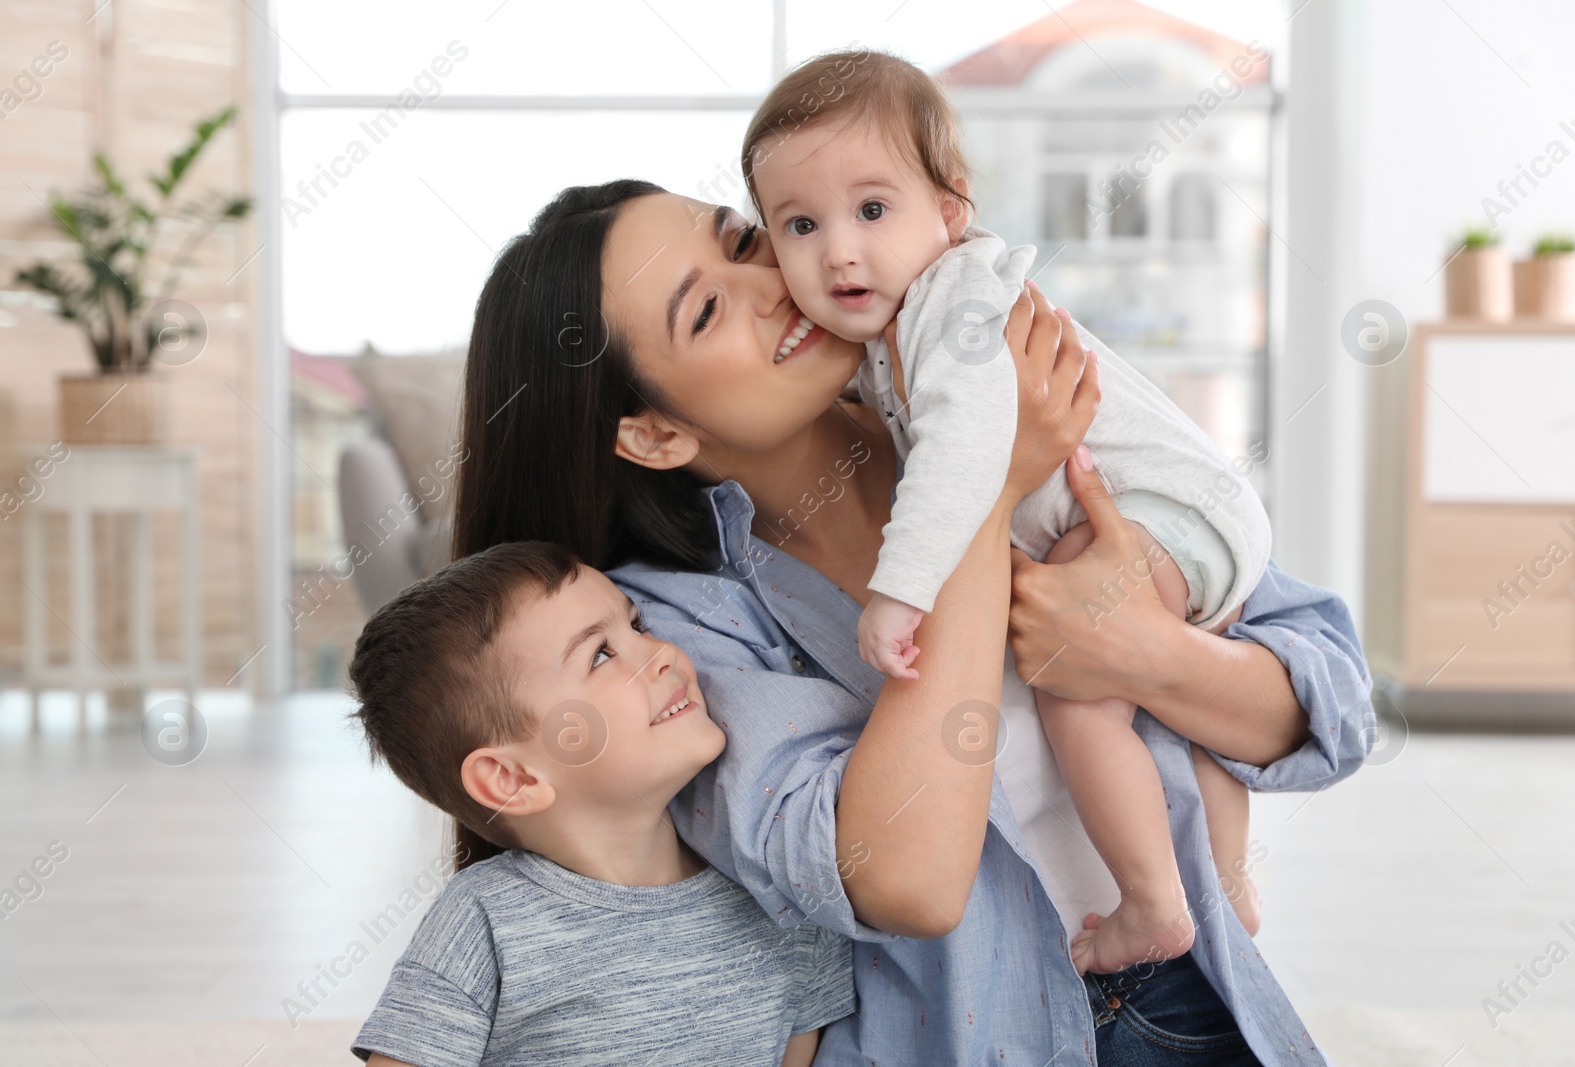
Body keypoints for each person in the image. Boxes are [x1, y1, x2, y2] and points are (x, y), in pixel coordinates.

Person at [449, 174, 1371, 1064]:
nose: (775, 282)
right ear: (654, 433)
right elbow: (905, 878)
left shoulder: (993, 378)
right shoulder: (673, 630)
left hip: (1193, 991)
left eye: (744, 240)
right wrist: (984, 475)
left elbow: (1327, 705)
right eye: (706, 310)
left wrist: (1152, 656)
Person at [742, 49, 1269, 974]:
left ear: (950, 211)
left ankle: (1152, 903)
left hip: (1166, 509)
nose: (839, 250)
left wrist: (902, 590)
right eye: (798, 224)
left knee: (1079, 689)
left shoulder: (955, 303)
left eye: (872, 209)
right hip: (1191, 519)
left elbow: (964, 454)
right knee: (1172, 697)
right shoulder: (891, 330)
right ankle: (1224, 884)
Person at [344, 541, 855, 1066]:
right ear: (511, 778)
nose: (663, 654)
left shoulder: (776, 889)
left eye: (637, 627)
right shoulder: (485, 922)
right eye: (602, 655)